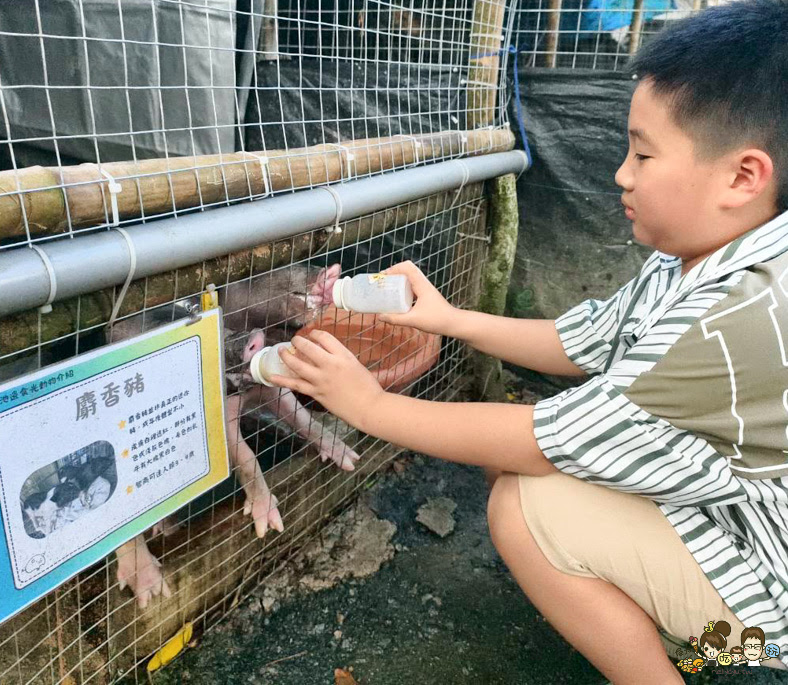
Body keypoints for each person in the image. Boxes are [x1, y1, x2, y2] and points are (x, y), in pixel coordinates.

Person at [269, 1, 788, 682]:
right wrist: (447, 317)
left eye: (643, 153)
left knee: (523, 505)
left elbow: (548, 437)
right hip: (724, 509)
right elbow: (582, 340)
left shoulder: (738, 314)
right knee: (518, 472)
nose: (622, 175)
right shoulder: (698, 259)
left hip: (766, 581)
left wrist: (367, 406)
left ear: (743, 177)